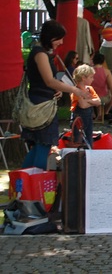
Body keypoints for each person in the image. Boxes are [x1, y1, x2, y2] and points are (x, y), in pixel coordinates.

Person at [23, 21, 89, 169]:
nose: (61, 42)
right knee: (43, 145)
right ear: (50, 37)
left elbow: (46, 81)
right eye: (58, 38)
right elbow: (49, 80)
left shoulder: (41, 52)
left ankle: (23, 182)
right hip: (41, 106)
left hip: (42, 101)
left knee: (39, 146)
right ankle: (33, 183)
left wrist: (56, 90)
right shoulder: (40, 54)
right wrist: (75, 90)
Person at [71, 64, 101, 148]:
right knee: (78, 140)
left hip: (88, 118)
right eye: (91, 77)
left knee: (89, 138)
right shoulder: (76, 90)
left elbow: (98, 102)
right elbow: (82, 105)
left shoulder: (89, 89)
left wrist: (87, 100)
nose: (93, 79)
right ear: (83, 78)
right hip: (78, 120)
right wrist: (91, 102)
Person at [90, 52, 112, 121]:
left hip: (90, 96)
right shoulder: (107, 72)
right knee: (110, 95)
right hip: (103, 97)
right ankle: (105, 113)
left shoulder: (89, 71)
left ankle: (93, 113)